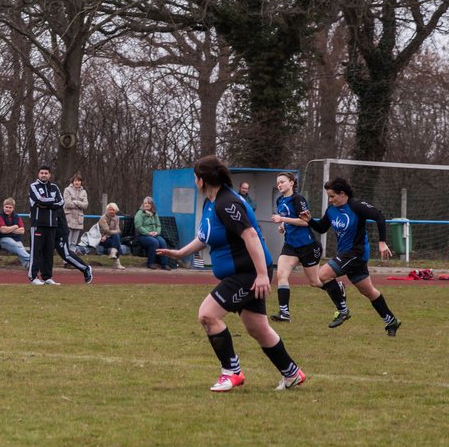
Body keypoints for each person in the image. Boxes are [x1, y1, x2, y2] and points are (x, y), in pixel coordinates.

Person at [160, 156, 305, 392]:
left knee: (207, 315)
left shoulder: (227, 203)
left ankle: (231, 372)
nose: (194, 181)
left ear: (202, 180)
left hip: (247, 273)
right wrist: (179, 253)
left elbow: (251, 236)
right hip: (242, 273)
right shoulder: (212, 202)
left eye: (196, 177)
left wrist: (260, 275)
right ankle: (292, 373)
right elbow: (205, 237)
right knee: (257, 327)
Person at [300, 178, 401, 335]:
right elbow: (321, 228)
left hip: (356, 253)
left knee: (323, 275)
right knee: (368, 291)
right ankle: (391, 320)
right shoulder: (331, 210)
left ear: (342, 193)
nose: (330, 200)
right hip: (346, 255)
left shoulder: (356, 206)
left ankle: (343, 310)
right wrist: (310, 221)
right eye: (329, 196)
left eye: (332, 196)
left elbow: (379, 217)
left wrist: (382, 243)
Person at [267, 171, 327, 321]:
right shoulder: (280, 200)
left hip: (307, 245)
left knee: (315, 282)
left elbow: (305, 222)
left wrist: (282, 218)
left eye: (282, 181)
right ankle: (284, 313)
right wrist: (282, 225)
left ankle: (336, 289)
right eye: (278, 182)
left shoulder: (298, 199)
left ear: (292, 183)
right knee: (281, 275)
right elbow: (286, 218)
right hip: (290, 246)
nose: (279, 184)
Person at [28, 164, 66, 284]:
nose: (44, 175)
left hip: (52, 225)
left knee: (49, 253)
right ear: (38, 174)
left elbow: (61, 202)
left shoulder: (54, 187)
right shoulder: (33, 186)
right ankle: (33, 277)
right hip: (38, 224)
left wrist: (47, 202)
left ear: (49, 175)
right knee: (36, 252)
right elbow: (39, 200)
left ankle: (47, 277)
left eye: (46, 173)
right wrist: (52, 202)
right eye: (42, 173)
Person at [0, 198, 31, 270]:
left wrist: (8, 229)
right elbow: (3, 230)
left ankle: (28, 264)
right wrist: (15, 227)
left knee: (19, 246)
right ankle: (31, 259)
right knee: (15, 245)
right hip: (2, 239)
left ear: (13, 208)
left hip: (16, 238)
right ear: (3, 207)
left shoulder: (17, 217)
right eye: (6, 207)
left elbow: (22, 231)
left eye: (10, 207)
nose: (8, 209)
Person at [134, 196, 174, 269]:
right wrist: (148, 233)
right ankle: (150, 263)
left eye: (149, 203)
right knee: (154, 242)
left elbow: (158, 225)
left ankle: (164, 264)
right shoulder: (140, 213)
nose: (147, 205)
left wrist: (157, 232)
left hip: (154, 234)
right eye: (145, 203)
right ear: (143, 204)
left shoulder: (154, 213)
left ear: (152, 205)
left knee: (162, 242)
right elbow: (138, 226)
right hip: (143, 235)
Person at [62, 173, 90, 249]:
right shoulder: (67, 190)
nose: (77, 182)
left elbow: (85, 205)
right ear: (72, 182)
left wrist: (75, 202)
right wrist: (80, 204)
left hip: (79, 219)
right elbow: (67, 204)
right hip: (69, 218)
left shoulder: (83, 192)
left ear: (81, 182)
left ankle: (72, 257)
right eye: (75, 181)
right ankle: (66, 257)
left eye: (78, 181)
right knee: (67, 239)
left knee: (74, 242)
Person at [96, 203, 125, 269]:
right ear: (107, 210)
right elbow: (107, 230)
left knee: (116, 236)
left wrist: (108, 235)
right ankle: (116, 264)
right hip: (102, 239)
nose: (111, 211)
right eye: (110, 209)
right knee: (117, 243)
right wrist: (106, 236)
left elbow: (118, 230)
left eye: (113, 210)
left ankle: (113, 252)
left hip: (111, 238)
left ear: (116, 211)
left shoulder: (117, 218)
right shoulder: (103, 218)